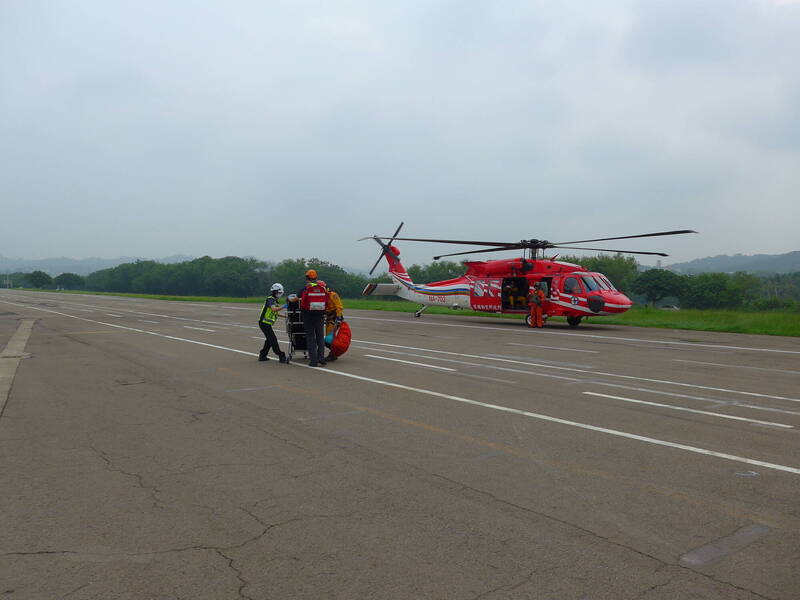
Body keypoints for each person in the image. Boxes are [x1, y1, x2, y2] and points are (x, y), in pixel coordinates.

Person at [298, 269, 328, 367]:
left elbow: (301, 302)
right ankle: (321, 358)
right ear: (316, 277)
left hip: (308, 316)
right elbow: (326, 301)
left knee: (311, 338)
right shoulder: (322, 287)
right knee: (320, 337)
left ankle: (313, 361)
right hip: (320, 316)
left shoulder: (306, 288)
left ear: (307, 278)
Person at [258, 283, 287, 362]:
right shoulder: (270, 299)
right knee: (273, 339)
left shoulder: (274, 301)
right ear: (275, 292)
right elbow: (274, 309)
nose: (280, 294)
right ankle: (281, 355)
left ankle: (262, 356)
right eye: (279, 293)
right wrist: (284, 306)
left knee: (269, 340)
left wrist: (286, 316)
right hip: (264, 323)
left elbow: (275, 313)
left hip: (266, 323)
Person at [318, 280, 344, 361]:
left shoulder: (333, 295)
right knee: (328, 338)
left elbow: (339, 307)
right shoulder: (322, 296)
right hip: (329, 319)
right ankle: (333, 353)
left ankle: (333, 354)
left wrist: (338, 318)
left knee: (329, 339)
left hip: (335, 319)